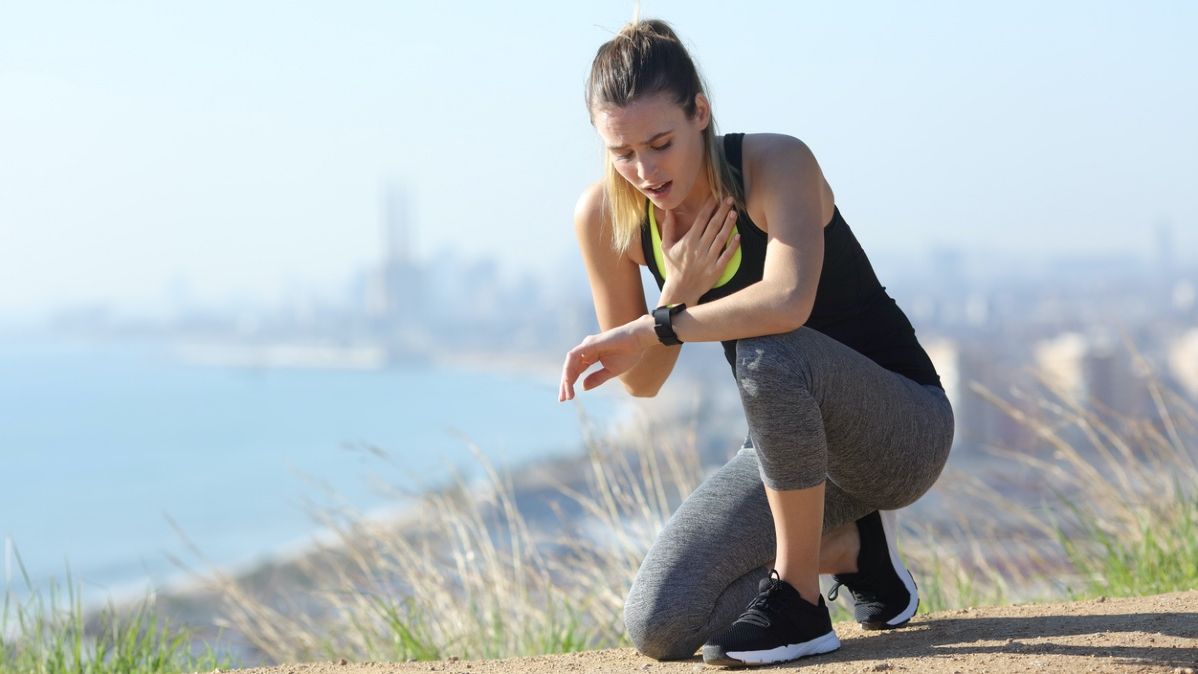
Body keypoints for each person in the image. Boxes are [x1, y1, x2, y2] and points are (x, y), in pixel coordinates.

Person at [558, 19, 955, 668]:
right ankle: (856, 550)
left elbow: (788, 302)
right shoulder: (607, 217)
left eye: (661, 143)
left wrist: (656, 326)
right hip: (787, 451)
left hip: (901, 431)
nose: (644, 170)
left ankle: (800, 604)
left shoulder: (776, 165)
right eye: (622, 153)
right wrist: (674, 294)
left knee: (771, 350)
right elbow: (644, 381)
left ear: (701, 114)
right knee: (657, 623)